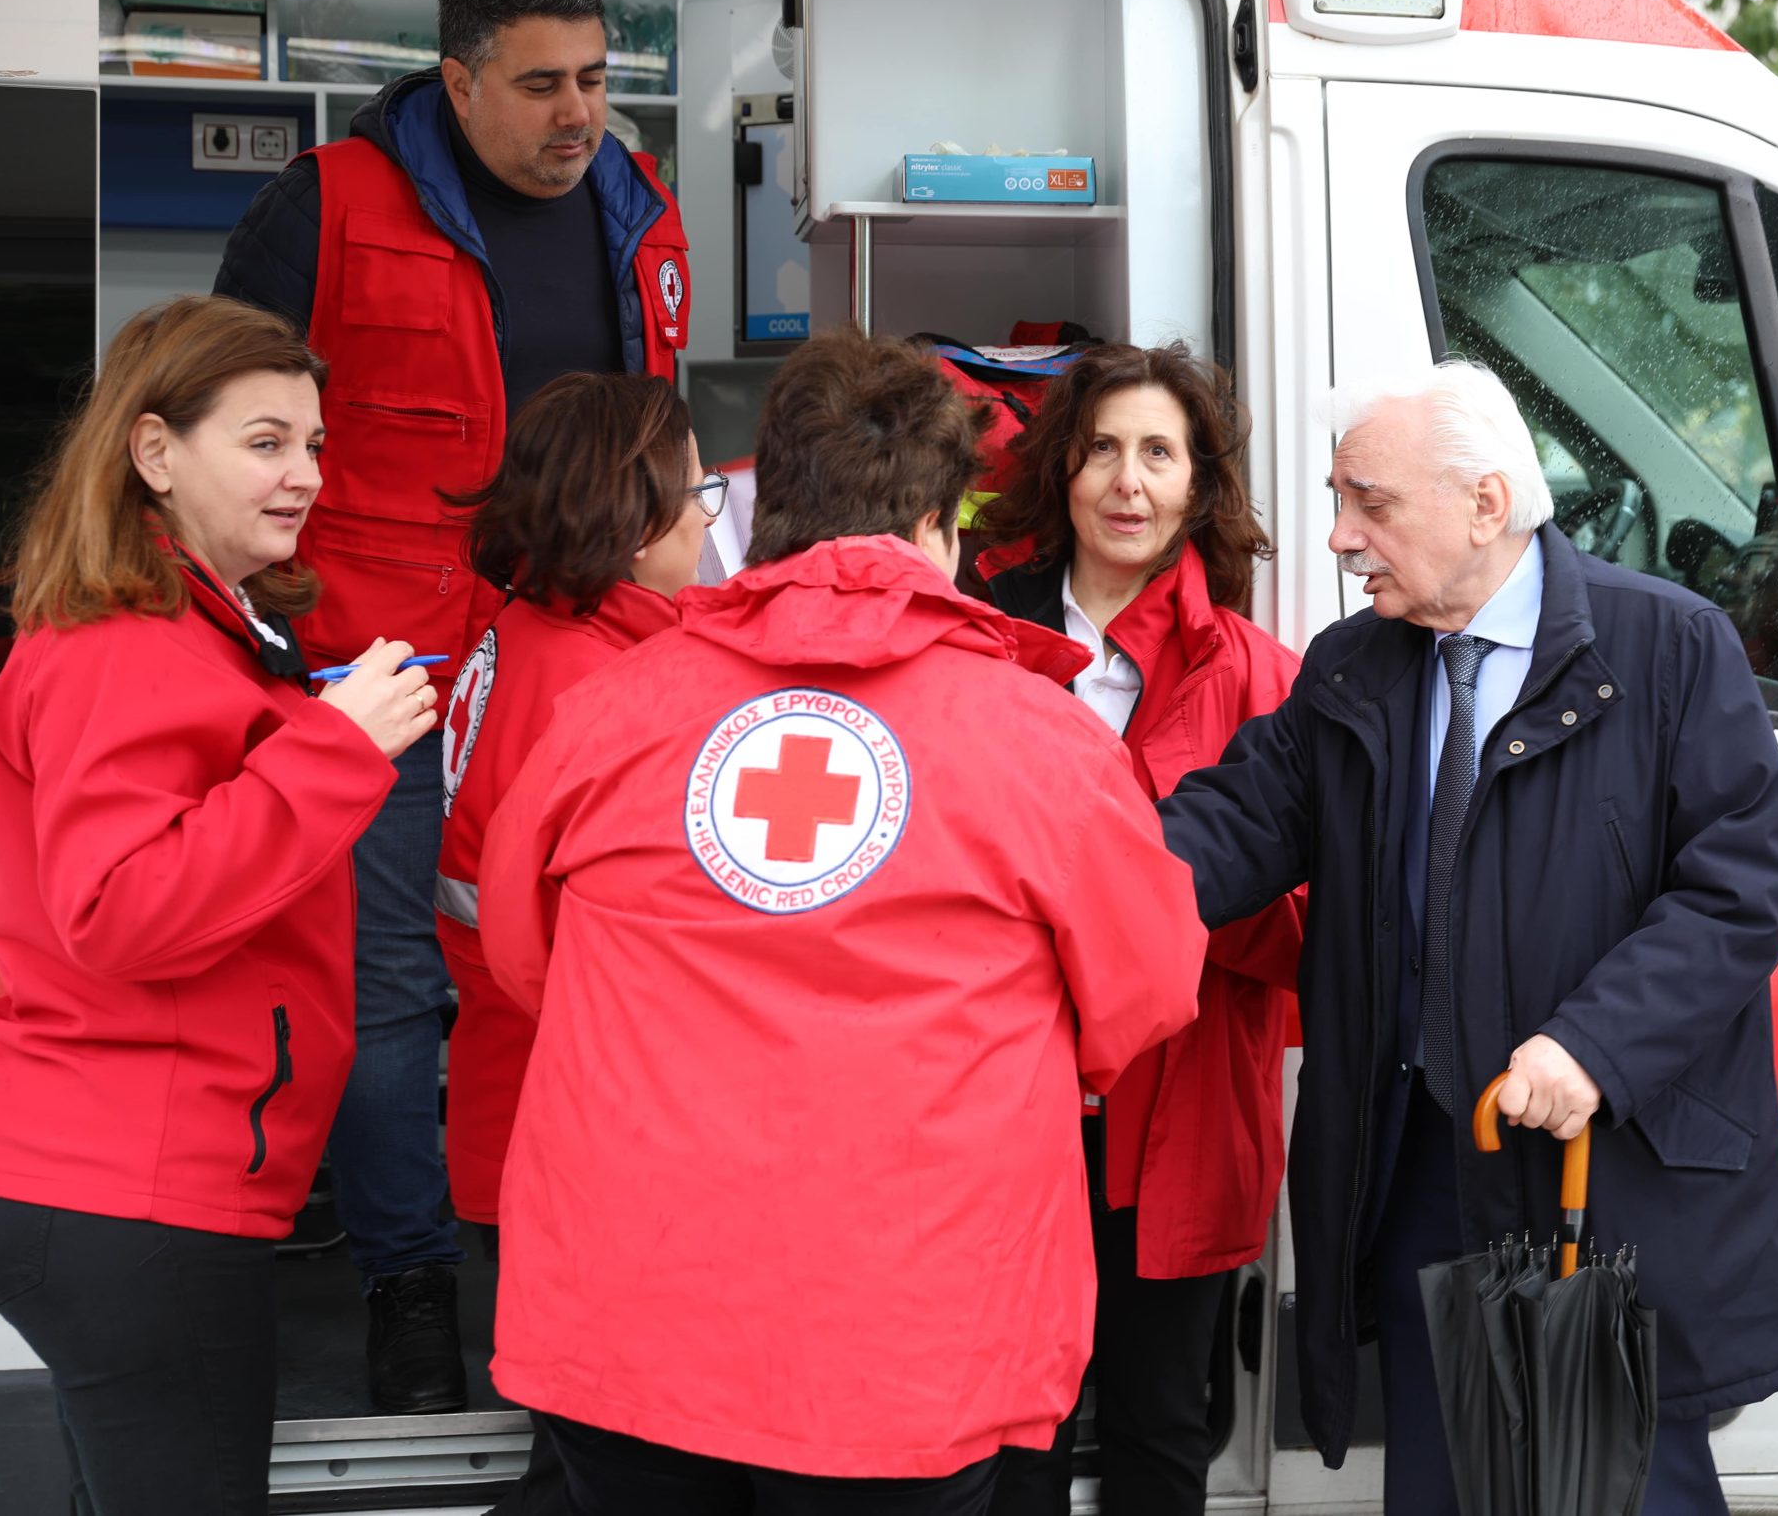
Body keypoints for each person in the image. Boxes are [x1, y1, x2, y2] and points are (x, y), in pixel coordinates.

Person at [472, 325, 1208, 1515]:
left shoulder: (613, 712)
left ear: (762, 515)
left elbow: (521, 954)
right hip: (909, 1345)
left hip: (629, 1321)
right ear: (939, 528)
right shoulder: (1041, 742)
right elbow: (1145, 993)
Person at [1154, 359, 1778, 1516]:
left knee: (1618, 1487)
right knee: (1447, 1490)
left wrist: (1592, 1050)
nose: (1342, 539)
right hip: (1421, 1178)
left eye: (1372, 504)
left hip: (1603, 1183)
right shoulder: (1354, 668)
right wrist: (1072, 871)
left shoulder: (1667, 647)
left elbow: (1738, 891)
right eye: (1336, 500)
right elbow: (1240, 820)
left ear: (1488, 505)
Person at [213, 0, 691, 1413]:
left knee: (593, 971)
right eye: (542, 84)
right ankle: (408, 1278)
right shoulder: (331, 208)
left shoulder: (638, 199)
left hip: (586, 661)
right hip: (384, 672)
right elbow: (223, 418)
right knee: (393, 988)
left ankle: (583, 1263)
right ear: (459, 79)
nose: (578, 114)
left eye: (597, 80)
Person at [0, 296, 437, 1514]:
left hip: (128, 1185)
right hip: (138, 1192)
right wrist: (336, 751)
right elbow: (121, 910)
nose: (305, 476)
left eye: (316, 445)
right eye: (267, 442)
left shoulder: (191, 630)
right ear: (156, 452)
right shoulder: (127, 643)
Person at [972, 344, 1304, 1516]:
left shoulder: (1267, 679)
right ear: (1060, 471)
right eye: (1103, 448)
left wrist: (1164, 905)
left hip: (1181, 1112)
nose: (1128, 481)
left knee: (1166, 1429)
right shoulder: (974, 645)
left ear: (1198, 486)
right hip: (1004, 1117)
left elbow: (1311, 936)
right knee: (1011, 1432)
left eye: (1159, 453)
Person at [434, 371, 714, 1248]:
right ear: (634, 524)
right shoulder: (601, 687)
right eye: (696, 492)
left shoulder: (525, 633)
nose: (709, 518)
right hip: (577, 1130)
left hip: (511, 1096)